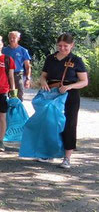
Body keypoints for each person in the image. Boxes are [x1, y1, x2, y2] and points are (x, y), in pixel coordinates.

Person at [39, 33, 89, 169]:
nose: (62, 48)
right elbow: (43, 76)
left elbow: (84, 81)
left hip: (70, 95)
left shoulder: (76, 60)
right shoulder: (50, 58)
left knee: (69, 124)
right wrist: (43, 82)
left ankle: (67, 157)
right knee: (50, 123)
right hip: (52, 94)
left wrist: (69, 86)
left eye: (65, 46)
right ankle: (50, 153)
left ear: (72, 45)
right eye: (60, 46)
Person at [2, 31, 32, 101]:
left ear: (18, 38)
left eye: (14, 38)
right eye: (10, 38)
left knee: (19, 94)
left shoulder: (23, 50)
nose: (12, 39)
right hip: (6, 74)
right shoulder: (4, 50)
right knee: (6, 95)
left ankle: (18, 110)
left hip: (17, 75)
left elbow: (27, 66)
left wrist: (28, 79)